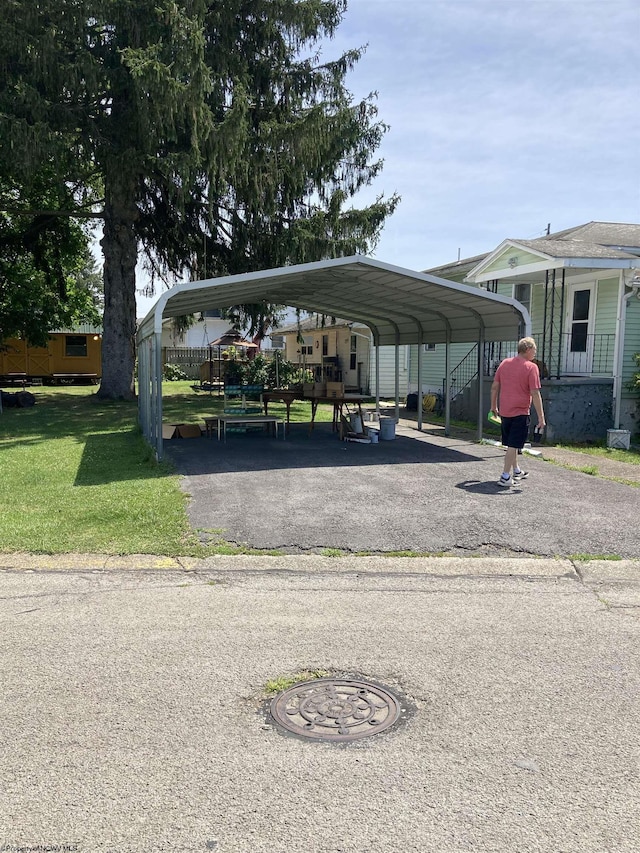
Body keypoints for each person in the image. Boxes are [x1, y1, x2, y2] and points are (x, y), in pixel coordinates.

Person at [490, 337, 546, 487]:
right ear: (528, 349)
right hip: (520, 412)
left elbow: (495, 386)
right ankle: (505, 476)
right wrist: (541, 417)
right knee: (514, 445)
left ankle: (516, 470)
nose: (535, 352)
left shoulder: (504, 363)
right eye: (534, 349)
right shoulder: (531, 367)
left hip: (505, 410)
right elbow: (535, 393)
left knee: (511, 444)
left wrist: (493, 406)